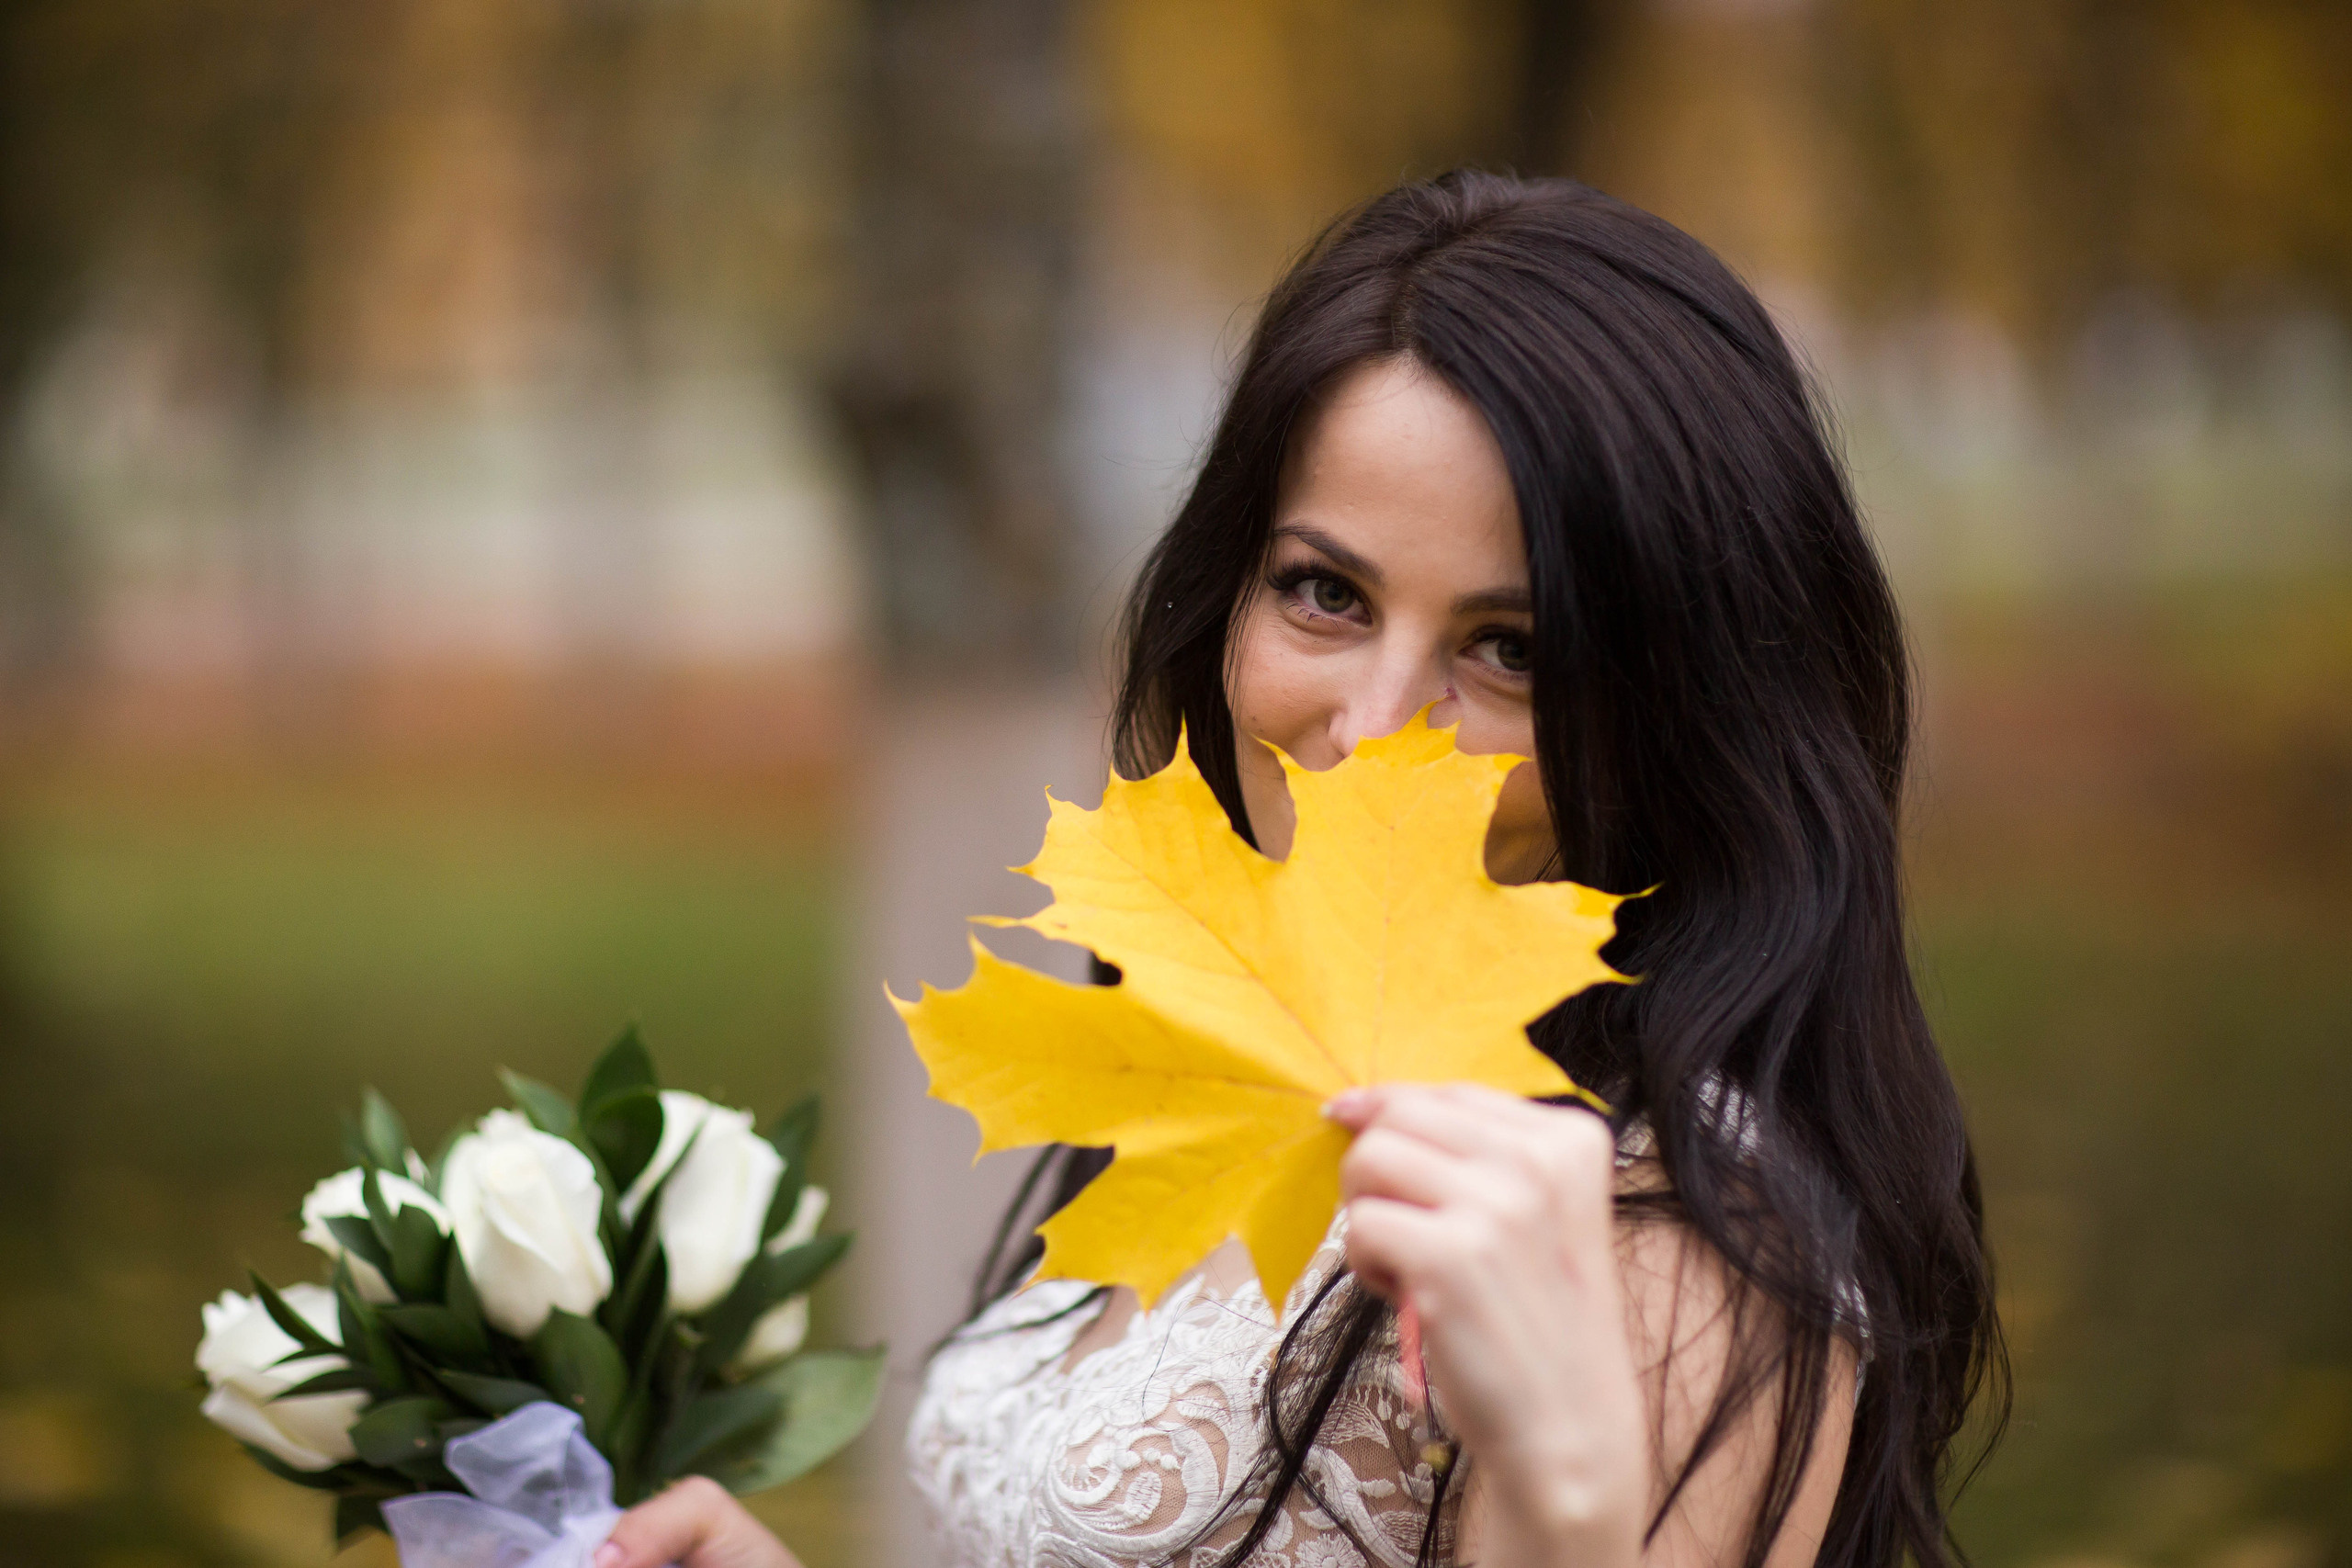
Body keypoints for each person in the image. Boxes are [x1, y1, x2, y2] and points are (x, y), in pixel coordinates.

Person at [594, 171, 2006, 1568]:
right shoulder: (1239, 1054)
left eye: (1508, 650)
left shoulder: (1681, 1234)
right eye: (1325, 592)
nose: (1375, 729)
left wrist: (1563, 1482)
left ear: (1684, 713)